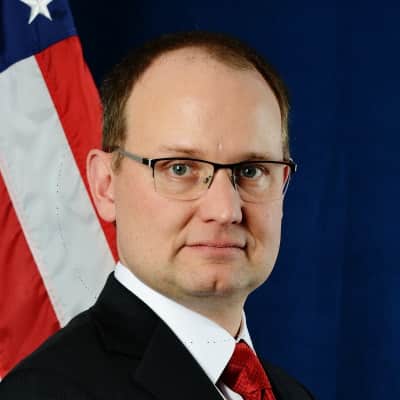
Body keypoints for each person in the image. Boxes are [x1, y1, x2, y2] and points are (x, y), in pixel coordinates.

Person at [0, 31, 314, 400]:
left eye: (251, 171)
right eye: (180, 169)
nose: (225, 211)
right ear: (105, 185)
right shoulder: (44, 393)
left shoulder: (291, 394)